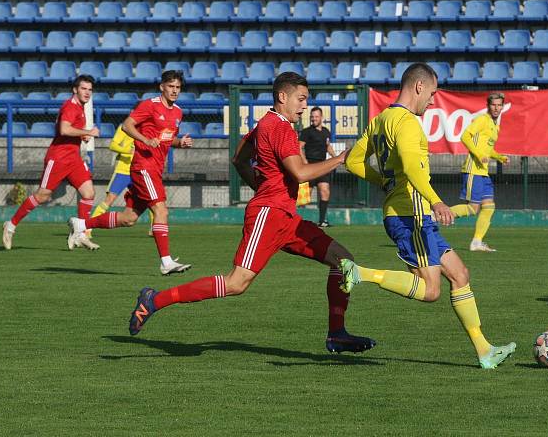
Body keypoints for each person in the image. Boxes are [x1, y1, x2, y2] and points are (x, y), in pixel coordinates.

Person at [127, 72, 376, 354]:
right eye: (301, 98)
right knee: (236, 283)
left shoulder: (265, 124)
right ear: (283, 97)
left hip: (286, 218)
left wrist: (263, 185)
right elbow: (301, 173)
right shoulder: (280, 127)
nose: (305, 106)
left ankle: (337, 334)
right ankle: (155, 299)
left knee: (343, 260)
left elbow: (239, 159)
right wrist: (342, 158)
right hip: (269, 215)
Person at [342, 63, 516, 369]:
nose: (434, 100)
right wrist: (436, 201)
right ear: (418, 87)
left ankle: (485, 351)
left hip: (410, 213)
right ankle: (361, 273)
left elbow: (354, 161)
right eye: (433, 93)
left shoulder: (381, 119)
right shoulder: (407, 123)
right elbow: (410, 168)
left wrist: (384, 181)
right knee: (431, 290)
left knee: (460, 274)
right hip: (411, 214)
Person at [67, 70, 192, 275]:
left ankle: (81, 224)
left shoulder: (177, 112)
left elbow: (167, 139)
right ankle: (166, 262)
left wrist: (181, 143)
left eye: (178, 87)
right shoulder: (149, 105)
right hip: (144, 167)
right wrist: (144, 140)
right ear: (162, 87)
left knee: (129, 218)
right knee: (162, 211)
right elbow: (127, 126)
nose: (175, 91)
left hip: (154, 169)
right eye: (171, 86)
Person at [2, 75, 101, 251]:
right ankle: (10, 225)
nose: (87, 92)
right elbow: (64, 129)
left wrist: (82, 135)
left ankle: (80, 233)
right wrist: (88, 132)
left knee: (88, 193)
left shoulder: (81, 107)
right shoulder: (70, 107)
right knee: (42, 196)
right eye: (84, 89)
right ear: (75, 89)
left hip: (73, 159)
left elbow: (69, 130)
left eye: (90, 89)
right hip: (58, 158)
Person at [449, 92, 509, 252]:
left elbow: (487, 149)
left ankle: (476, 242)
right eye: (493, 105)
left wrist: (499, 157)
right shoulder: (482, 120)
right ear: (488, 106)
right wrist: (479, 154)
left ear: (503, 106)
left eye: (499, 105)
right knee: (472, 209)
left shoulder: (495, 125)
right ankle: (435, 217)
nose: (496, 108)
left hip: (483, 172)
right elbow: (465, 136)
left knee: (489, 206)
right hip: (473, 169)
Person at [88, 125, 154, 238]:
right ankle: (87, 229)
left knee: (152, 200)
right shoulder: (125, 127)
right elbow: (113, 145)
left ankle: (154, 229)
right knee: (109, 200)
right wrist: (128, 150)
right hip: (123, 170)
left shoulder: (149, 127)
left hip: (140, 171)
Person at [299, 106, 337, 227]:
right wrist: (304, 162)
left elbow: (328, 146)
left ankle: (322, 221)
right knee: (304, 198)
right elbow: (299, 147)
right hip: (309, 166)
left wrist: (336, 157)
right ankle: (293, 223)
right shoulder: (306, 132)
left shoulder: (326, 131)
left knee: (325, 191)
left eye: (316, 116)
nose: (314, 119)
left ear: (321, 118)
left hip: (322, 166)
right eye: (312, 116)